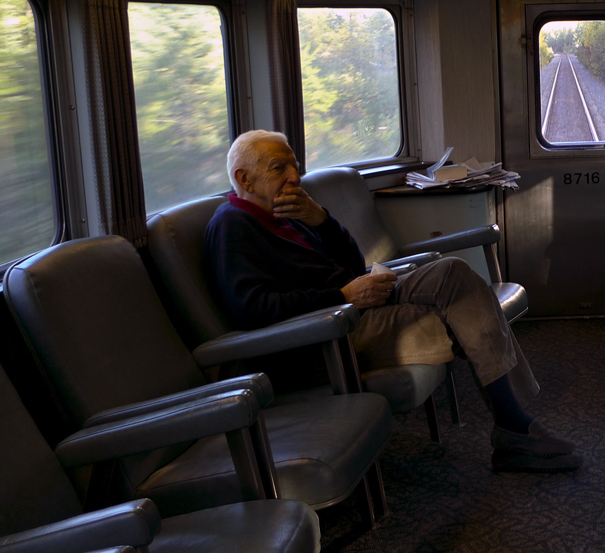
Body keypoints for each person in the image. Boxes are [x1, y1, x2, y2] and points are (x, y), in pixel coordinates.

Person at [204, 130, 579, 472]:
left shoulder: (290, 212)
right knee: (463, 313)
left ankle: (514, 422)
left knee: (453, 272)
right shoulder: (233, 226)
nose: (294, 178)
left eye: (294, 167)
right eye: (278, 168)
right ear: (243, 179)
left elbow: (352, 264)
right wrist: (341, 296)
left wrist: (320, 220)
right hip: (325, 332)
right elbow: (252, 309)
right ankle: (515, 428)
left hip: (358, 302)